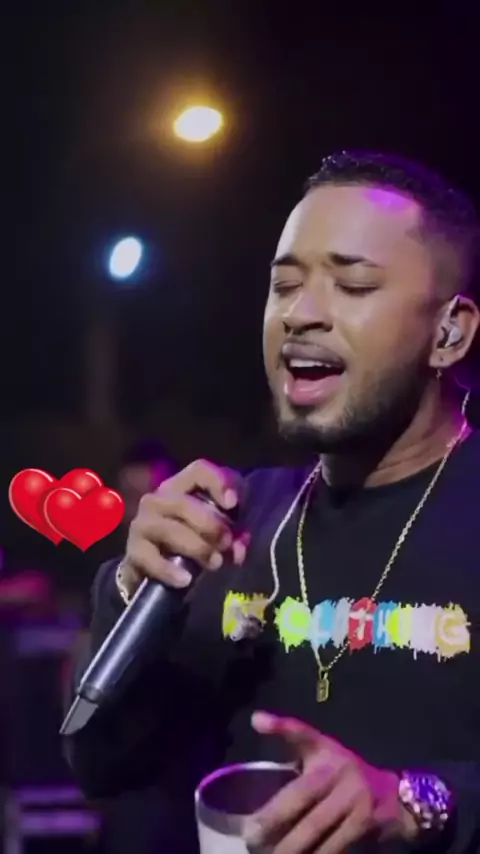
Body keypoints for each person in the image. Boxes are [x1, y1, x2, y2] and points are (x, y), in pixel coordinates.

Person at [65, 151, 480, 854]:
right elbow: (104, 763)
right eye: (284, 285)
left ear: (448, 332)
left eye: (351, 284)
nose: (300, 314)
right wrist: (133, 590)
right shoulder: (230, 522)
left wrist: (417, 804)